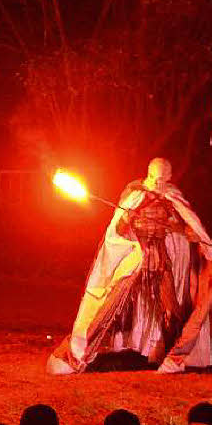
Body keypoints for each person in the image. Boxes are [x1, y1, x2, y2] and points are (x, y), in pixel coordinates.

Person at [48, 157, 212, 374]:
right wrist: (129, 218)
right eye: (153, 177)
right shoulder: (135, 197)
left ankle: (173, 355)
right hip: (136, 258)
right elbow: (119, 230)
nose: (156, 183)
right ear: (148, 174)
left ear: (170, 178)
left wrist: (184, 230)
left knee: (171, 307)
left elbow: (188, 228)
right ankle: (78, 353)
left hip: (161, 259)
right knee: (111, 302)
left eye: (162, 179)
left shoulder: (174, 199)